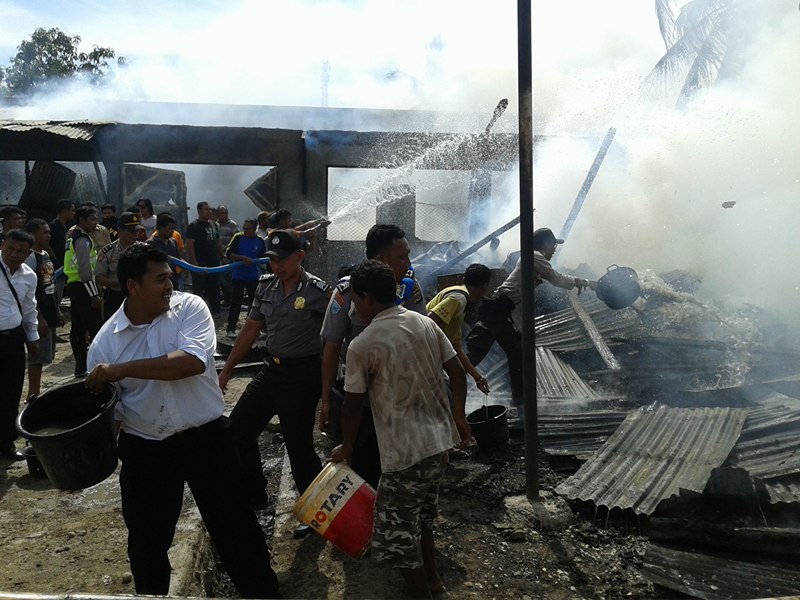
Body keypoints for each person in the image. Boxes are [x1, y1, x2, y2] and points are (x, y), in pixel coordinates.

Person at [85, 244, 279, 598]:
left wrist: (121, 370)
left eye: (169, 277)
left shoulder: (189, 308)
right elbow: (109, 416)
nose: (168, 286)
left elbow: (191, 362)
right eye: (159, 279)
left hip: (207, 439)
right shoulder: (104, 345)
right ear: (132, 286)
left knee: (236, 529)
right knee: (147, 544)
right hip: (147, 448)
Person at [330, 260, 469, 598]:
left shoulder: (363, 344)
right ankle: (434, 584)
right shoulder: (424, 323)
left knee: (394, 534)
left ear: (366, 298)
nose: (352, 307)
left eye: (355, 300)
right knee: (420, 519)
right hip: (438, 443)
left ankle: (424, 594)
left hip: (405, 453)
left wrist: (346, 447)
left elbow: (351, 404)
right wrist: (459, 417)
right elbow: (457, 371)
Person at [218, 230, 330, 512]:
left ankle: (317, 513)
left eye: (282, 260)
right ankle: (255, 496)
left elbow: (334, 342)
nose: (276, 266)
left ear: (299, 257)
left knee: (299, 447)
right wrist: (227, 371)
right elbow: (249, 330)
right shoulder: (265, 286)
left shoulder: (319, 292)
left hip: (303, 375)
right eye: (271, 260)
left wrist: (328, 392)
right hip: (272, 371)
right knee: (237, 431)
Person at [320, 223, 426, 489]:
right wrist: (326, 400)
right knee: (359, 459)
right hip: (360, 398)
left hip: (400, 396)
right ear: (381, 260)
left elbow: (422, 335)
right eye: (401, 257)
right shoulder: (348, 291)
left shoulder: (409, 287)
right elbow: (332, 347)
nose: (408, 262)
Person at [466, 227, 592, 405]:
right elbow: (556, 279)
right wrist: (580, 281)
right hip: (496, 308)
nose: (555, 250)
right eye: (553, 245)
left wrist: (579, 281)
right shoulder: (535, 256)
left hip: (501, 309)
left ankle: (520, 402)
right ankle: (445, 381)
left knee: (517, 353)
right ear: (546, 244)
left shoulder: (533, 257)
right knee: (473, 354)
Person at [0, 229, 39, 461]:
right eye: (10, 249)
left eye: (20, 252)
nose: (14, 255)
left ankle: (5, 443)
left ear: (28, 254)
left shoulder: (29, 276)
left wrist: (32, 337)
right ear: (3, 244)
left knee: (10, 391)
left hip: (13, 340)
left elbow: (29, 308)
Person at [426, 263, 493, 394]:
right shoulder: (459, 299)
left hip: (429, 354)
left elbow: (456, 348)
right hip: (424, 354)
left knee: (455, 380)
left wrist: (478, 378)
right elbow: (428, 321)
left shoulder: (461, 303)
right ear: (484, 286)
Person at [24, 219, 63, 398]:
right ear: (33, 234)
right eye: (44, 232)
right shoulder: (31, 257)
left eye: (49, 232)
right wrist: (39, 318)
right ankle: (33, 394)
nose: (48, 235)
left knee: (46, 355)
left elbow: (51, 285)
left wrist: (57, 310)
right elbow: (29, 293)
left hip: (49, 309)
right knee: (36, 357)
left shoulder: (45, 254)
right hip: (39, 314)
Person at [64, 205, 102, 377]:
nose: (96, 223)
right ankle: (94, 365)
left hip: (74, 286)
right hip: (83, 287)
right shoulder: (83, 239)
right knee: (94, 327)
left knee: (78, 328)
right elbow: (85, 271)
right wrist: (94, 295)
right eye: (92, 219)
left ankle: (81, 368)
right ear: (82, 221)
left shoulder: (72, 237)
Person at [95, 212, 144, 321]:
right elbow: (98, 277)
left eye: (137, 231)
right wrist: (115, 283)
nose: (135, 235)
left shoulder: (144, 250)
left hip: (139, 296)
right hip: (115, 296)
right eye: (131, 231)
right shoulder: (107, 251)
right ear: (120, 231)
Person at [224, 218, 266, 338]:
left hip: (253, 275)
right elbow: (228, 253)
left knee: (254, 303)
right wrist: (242, 258)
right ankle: (230, 329)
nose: (245, 230)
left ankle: (253, 329)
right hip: (238, 275)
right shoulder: (238, 237)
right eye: (244, 228)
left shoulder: (260, 241)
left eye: (248, 229)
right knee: (236, 302)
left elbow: (263, 257)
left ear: (254, 229)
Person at [185, 201, 223, 316]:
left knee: (214, 288)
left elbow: (217, 242)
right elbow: (190, 244)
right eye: (206, 209)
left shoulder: (214, 225)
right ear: (199, 211)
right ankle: (198, 312)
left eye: (210, 209)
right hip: (200, 263)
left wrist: (221, 256)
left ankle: (215, 311)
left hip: (213, 262)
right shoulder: (193, 226)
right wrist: (194, 262)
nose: (209, 211)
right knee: (199, 289)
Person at [147, 212, 182, 289]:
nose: (172, 231)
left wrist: (195, 269)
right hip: (158, 285)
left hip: (173, 283)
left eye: (173, 228)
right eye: (170, 228)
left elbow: (179, 260)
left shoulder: (173, 241)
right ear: (161, 227)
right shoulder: (150, 244)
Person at [216, 205, 239, 308]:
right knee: (221, 280)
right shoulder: (214, 225)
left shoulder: (232, 225)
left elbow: (237, 241)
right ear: (217, 214)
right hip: (217, 257)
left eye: (225, 213)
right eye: (222, 213)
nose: (224, 215)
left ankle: (231, 299)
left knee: (229, 280)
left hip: (229, 257)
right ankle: (225, 298)